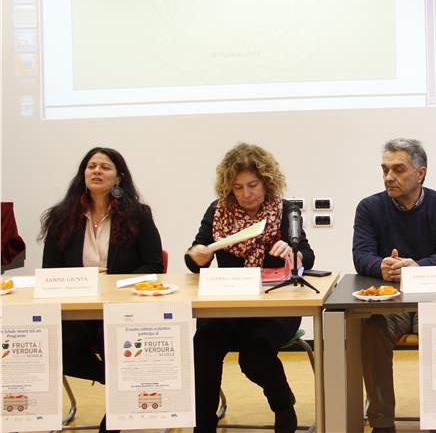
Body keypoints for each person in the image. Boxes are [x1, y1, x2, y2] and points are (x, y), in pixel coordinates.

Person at [186, 143, 314, 433]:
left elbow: (307, 254)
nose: (246, 194)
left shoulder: (285, 210)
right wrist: (197, 256)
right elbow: (196, 256)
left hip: (274, 308)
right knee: (203, 346)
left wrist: (294, 253)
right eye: (238, 187)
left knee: (254, 354)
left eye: (252, 185)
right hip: (228, 307)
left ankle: (283, 405)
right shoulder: (218, 211)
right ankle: (203, 424)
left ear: (266, 181)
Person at [40, 146, 163, 433]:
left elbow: (153, 266)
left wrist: (112, 281)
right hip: (76, 309)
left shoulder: (138, 216)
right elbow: (50, 271)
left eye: (105, 167)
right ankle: (125, 384)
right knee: (57, 346)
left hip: (121, 308)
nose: (97, 171)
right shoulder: (62, 217)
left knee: (116, 341)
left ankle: (115, 419)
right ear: (83, 174)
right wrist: (82, 279)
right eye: (91, 166)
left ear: (118, 178)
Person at [353, 138, 436, 433]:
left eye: (398, 169)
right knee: (371, 331)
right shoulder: (369, 207)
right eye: (385, 169)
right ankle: (382, 423)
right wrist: (381, 266)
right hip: (391, 300)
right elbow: (361, 255)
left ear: (420, 173)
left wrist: (416, 268)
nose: (389, 177)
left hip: (434, 300)